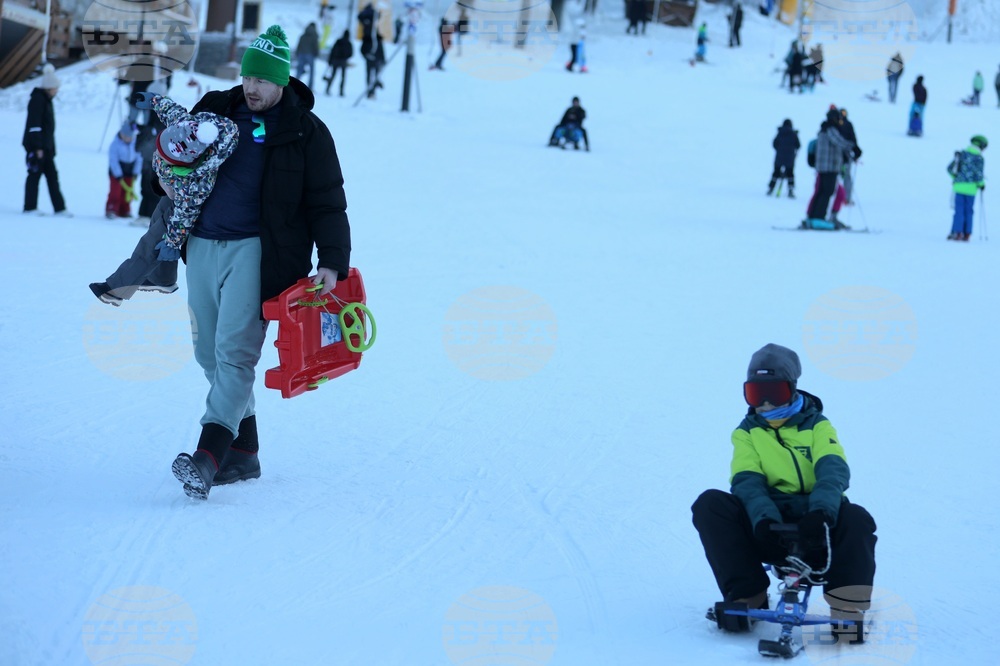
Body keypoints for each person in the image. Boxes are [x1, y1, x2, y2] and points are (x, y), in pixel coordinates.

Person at [167, 25, 352, 500]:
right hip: (202, 245)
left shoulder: (306, 131)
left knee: (235, 353)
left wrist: (333, 261)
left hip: (259, 252)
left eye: (263, 81)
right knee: (206, 353)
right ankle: (244, 453)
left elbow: (327, 202)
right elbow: (176, 159)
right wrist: (164, 185)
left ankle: (207, 457)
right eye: (248, 77)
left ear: (283, 82)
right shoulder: (215, 108)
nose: (252, 88)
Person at [692, 343, 877, 641]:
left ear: (792, 389)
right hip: (769, 528)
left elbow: (833, 472)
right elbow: (746, 482)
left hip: (817, 528)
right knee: (711, 504)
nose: (764, 404)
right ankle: (748, 596)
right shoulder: (746, 432)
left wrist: (821, 512)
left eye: (773, 393)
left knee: (856, 518)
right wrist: (763, 520)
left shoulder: (817, 425)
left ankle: (848, 610)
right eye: (755, 394)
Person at [89, 93, 239, 307]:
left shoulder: (197, 184)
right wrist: (154, 100)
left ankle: (117, 288)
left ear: (189, 162)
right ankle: (162, 279)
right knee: (156, 217)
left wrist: (173, 243)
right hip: (175, 188)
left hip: (183, 199)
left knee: (155, 239)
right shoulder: (186, 126)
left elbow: (185, 217)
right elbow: (172, 110)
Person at [22, 64, 71, 217]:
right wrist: (37, 148)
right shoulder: (38, 100)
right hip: (38, 147)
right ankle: (30, 208)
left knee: (52, 177)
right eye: (55, 88)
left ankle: (60, 209)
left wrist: (50, 148)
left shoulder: (46, 100)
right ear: (49, 88)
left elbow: (48, 128)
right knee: (34, 175)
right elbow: (34, 126)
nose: (57, 91)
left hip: (46, 147)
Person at [804, 108, 859, 229]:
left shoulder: (823, 129)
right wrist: (854, 147)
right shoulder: (830, 129)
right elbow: (839, 142)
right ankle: (819, 217)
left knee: (821, 192)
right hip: (830, 167)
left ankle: (813, 216)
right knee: (827, 192)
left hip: (823, 167)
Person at [946, 135, 987, 241]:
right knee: (969, 211)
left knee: (959, 210)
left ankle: (957, 232)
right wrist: (981, 184)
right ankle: (967, 233)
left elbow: (950, 169)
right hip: (971, 190)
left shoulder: (962, 154)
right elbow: (978, 174)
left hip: (958, 187)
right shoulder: (979, 158)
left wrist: (956, 178)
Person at [105, 121, 143, 220]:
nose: (128, 139)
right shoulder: (115, 144)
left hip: (130, 171)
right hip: (116, 172)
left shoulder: (136, 144)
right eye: (126, 136)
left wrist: (136, 172)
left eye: (130, 137)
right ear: (121, 134)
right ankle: (112, 209)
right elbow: (113, 161)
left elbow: (139, 159)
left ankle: (124, 210)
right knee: (116, 191)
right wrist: (118, 174)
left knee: (128, 192)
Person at [767, 119, 799, 198]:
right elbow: (798, 145)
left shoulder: (780, 133)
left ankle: (771, 188)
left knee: (776, 172)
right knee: (790, 174)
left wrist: (779, 150)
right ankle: (790, 190)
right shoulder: (793, 134)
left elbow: (774, 143)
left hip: (779, 157)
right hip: (790, 158)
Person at [837, 108, 860, 205]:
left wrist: (856, 150)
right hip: (838, 154)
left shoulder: (847, 124)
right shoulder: (835, 125)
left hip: (845, 155)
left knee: (845, 176)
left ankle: (845, 197)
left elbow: (853, 138)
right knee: (843, 176)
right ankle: (842, 197)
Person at [324, 30, 353, 96]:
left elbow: (332, 51)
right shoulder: (348, 43)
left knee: (333, 75)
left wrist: (330, 61)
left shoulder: (338, 41)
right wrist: (345, 56)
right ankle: (341, 91)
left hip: (336, 60)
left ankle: (327, 89)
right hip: (343, 61)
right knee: (343, 77)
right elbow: (351, 53)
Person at [295, 22, 320, 90]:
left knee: (299, 70)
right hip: (310, 55)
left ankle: (295, 85)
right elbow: (315, 46)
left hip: (301, 54)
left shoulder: (303, 35)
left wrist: (297, 53)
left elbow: (299, 45)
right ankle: (310, 87)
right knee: (311, 72)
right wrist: (316, 53)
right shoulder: (315, 36)